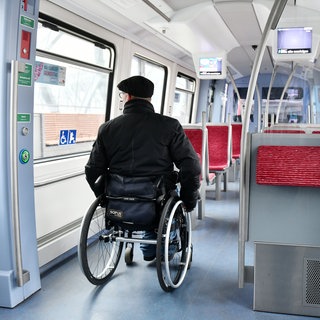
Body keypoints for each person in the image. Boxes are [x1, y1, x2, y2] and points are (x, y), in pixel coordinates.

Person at [85, 75, 201, 261]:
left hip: (118, 199)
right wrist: (189, 200)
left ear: (128, 97)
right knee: (173, 192)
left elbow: (93, 170)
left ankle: (145, 245)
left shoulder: (107, 128)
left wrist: (105, 197)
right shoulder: (169, 126)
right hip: (156, 199)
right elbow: (191, 166)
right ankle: (159, 246)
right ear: (149, 98)